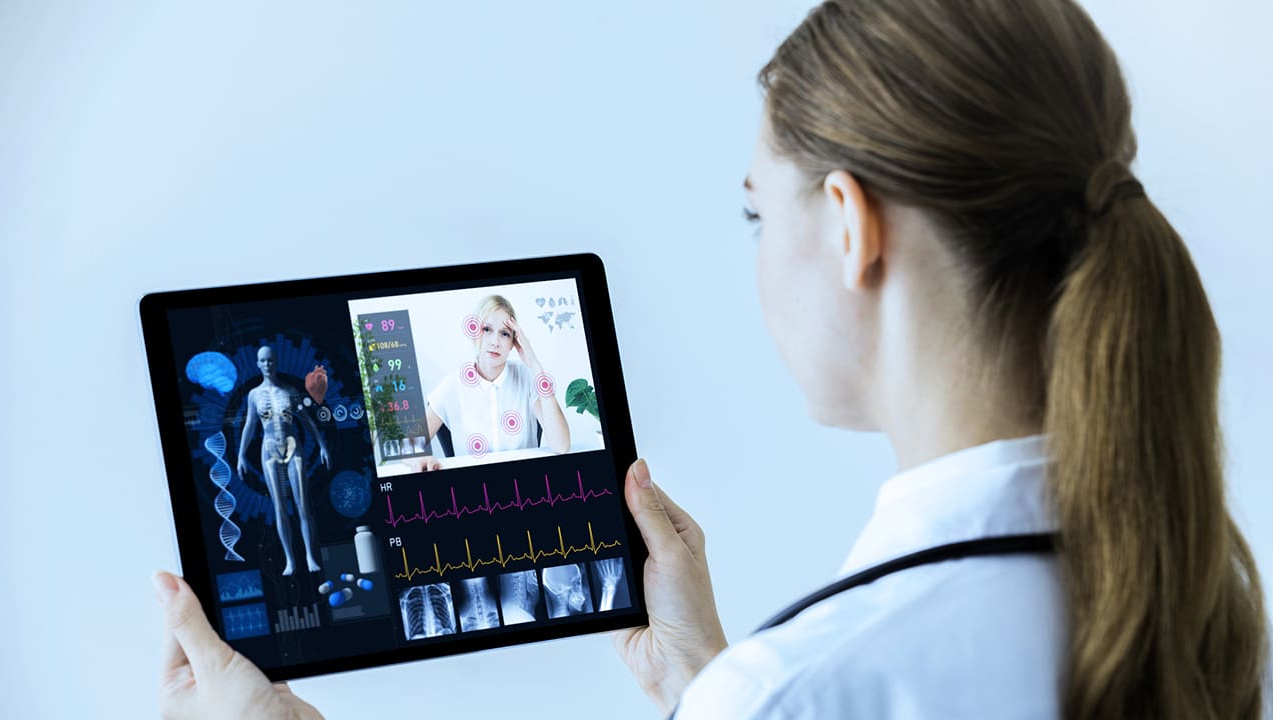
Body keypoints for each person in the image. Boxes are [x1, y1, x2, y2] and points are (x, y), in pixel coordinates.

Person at [152, 1, 1269, 718]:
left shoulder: (803, 689)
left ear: (847, 225)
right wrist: (705, 682)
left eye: (753, 215)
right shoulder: (1201, 615)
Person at [409, 294, 571, 471]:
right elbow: (407, 446)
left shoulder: (527, 378)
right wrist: (421, 458)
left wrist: (535, 365)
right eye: (487, 329)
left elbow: (561, 446)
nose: (495, 342)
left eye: (504, 334)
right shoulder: (452, 385)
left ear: (513, 343)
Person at [235, 345, 330, 576]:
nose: (267, 365)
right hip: (269, 450)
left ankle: (309, 556)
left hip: (292, 446)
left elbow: (306, 420)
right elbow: (250, 425)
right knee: (279, 507)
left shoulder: (289, 391)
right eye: (263, 361)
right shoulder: (254, 395)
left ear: (275, 362)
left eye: (270, 360)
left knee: (302, 505)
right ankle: (290, 560)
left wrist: (322, 445)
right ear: (258, 364)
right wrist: (241, 454)